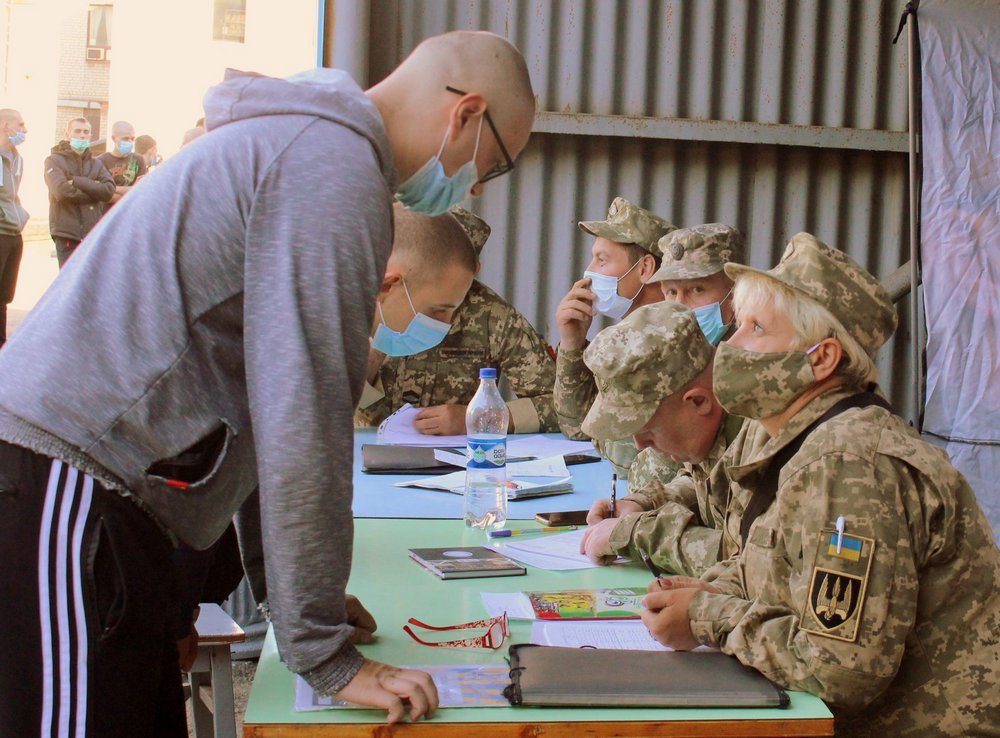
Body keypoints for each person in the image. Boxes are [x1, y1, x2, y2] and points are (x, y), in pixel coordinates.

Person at [0, 29, 535, 735]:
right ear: (466, 114)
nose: (470, 187)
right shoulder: (330, 168)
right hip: (71, 473)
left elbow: (264, 407)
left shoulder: (313, 149)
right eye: (490, 166)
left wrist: (294, 605)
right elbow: (305, 415)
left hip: (114, 490)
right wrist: (325, 654)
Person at [642, 234, 1000, 737]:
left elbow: (840, 670)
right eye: (739, 323)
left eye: (757, 328)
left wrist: (708, 616)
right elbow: (780, 572)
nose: (731, 344)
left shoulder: (851, 463)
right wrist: (712, 589)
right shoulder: (802, 439)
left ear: (822, 358)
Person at [576, 301, 744, 576]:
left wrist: (638, 533)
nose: (640, 445)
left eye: (648, 428)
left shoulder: (763, 433)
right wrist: (645, 502)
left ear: (699, 401)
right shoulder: (719, 418)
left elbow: (748, 561)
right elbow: (708, 483)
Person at [356, 207, 558, 434]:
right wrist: (368, 361)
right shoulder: (364, 304)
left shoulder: (493, 316)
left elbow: (560, 405)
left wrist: (479, 418)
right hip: (370, 449)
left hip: (458, 459)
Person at [43, 117, 115, 267]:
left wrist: (77, 181)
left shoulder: (97, 163)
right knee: (69, 284)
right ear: (67, 135)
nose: (82, 135)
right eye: (77, 131)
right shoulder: (54, 161)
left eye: (86, 132)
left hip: (92, 234)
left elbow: (108, 191)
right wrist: (94, 192)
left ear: (90, 135)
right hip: (67, 234)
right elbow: (61, 191)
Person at [0, 108, 29, 348]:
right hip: (0, 231)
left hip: (13, 233)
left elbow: (12, 195)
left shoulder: (17, 158)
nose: (25, 130)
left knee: (4, 296)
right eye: (20, 125)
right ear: (5, 127)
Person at [98, 120, 148, 205]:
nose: (129, 142)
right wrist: (131, 190)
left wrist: (112, 188)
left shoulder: (139, 160)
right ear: (113, 138)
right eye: (125, 138)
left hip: (131, 213)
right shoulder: (100, 161)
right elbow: (103, 195)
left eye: (132, 139)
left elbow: (142, 191)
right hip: (107, 214)